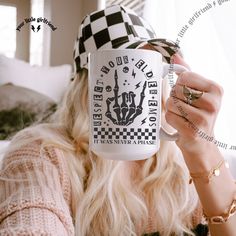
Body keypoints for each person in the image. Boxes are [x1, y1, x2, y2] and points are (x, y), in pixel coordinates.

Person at [0, 5, 235, 236]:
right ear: (87, 86)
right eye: (121, 73)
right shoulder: (42, 153)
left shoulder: (181, 162)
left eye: (144, 71)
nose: (132, 85)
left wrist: (203, 150)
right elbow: (32, 216)